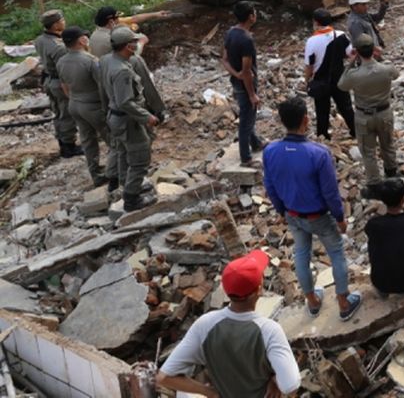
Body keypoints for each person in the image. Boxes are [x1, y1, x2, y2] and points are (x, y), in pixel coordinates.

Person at [262, 96, 362, 322]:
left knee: (301, 253)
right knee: (336, 252)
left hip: (292, 214)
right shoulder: (318, 153)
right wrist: (339, 217)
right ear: (306, 120)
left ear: (282, 121)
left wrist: (280, 211)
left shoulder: (270, 151)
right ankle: (344, 302)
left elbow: (269, 184)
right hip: (319, 216)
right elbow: (330, 193)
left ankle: (312, 300)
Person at [156, 249, 302, 398]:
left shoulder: (206, 324)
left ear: (226, 290)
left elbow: (164, 377)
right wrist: (275, 379)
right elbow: (291, 386)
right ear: (259, 289)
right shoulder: (269, 330)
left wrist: (209, 393)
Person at [98, 26, 159, 213]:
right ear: (127, 47)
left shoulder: (107, 60)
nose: (136, 44)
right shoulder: (122, 70)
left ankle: (128, 186)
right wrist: (146, 116)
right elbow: (125, 102)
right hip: (128, 120)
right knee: (140, 158)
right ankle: (132, 200)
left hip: (115, 117)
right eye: (133, 42)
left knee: (124, 154)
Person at [57, 27, 115, 189]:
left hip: (74, 104)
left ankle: (96, 175)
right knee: (113, 140)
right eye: (85, 37)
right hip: (93, 106)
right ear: (81, 41)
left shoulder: (61, 61)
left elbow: (64, 86)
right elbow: (103, 86)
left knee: (88, 141)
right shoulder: (90, 61)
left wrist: (75, 100)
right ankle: (115, 173)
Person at [338, 36, 398, 183]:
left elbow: (341, 85)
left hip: (364, 116)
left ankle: (375, 182)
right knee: (388, 145)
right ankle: (392, 175)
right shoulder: (386, 69)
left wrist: (351, 63)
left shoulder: (354, 75)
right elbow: (396, 74)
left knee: (368, 152)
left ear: (357, 52)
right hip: (384, 113)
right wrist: (380, 56)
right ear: (374, 49)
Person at [34, 10, 83, 159]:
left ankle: (63, 142)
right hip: (59, 82)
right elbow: (64, 70)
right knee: (67, 114)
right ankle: (69, 146)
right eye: (62, 20)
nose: (64, 21)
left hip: (48, 80)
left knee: (58, 113)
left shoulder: (40, 40)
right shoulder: (59, 47)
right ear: (55, 25)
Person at [222, 1, 264, 166]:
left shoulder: (231, 32)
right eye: (254, 12)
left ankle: (256, 143)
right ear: (251, 17)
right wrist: (252, 94)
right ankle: (245, 157)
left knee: (248, 115)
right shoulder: (247, 40)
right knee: (246, 120)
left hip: (237, 82)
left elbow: (224, 60)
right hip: (246, 85)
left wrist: (235, 74)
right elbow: (247, 71)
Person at [303, 9, 355, 141]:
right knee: (346, 106)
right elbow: (350, 54)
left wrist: (306, 79)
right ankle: (355, 130)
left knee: (321, 109)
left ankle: (323, 135)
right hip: (339, 77)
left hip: (320, 79)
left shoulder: (312, 41)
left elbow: (309, 65)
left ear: (316, 22)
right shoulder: (341, 35)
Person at [363, 178, 404, 296]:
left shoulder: (374, 224)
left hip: (381, 282)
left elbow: (370, 230)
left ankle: (383, 292)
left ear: (382, 200)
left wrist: (376, 211)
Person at [89, 5, 165, 58]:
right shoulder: (113, 38)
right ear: (111, 21)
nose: (119, 19)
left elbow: (134, 19)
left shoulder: (96, 32)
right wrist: (142, 42)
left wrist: (155, 14)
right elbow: (132, 54)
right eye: (117, 18)